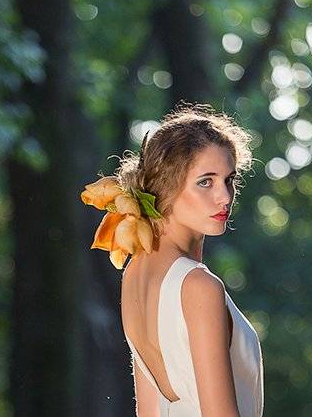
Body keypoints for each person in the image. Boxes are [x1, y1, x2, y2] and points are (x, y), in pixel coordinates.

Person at [80, 102, 264, 417]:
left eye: (229, 179)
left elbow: (149, 412)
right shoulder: (198, 286)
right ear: (167, 186)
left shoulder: (135, 272)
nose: (225, 196)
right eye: (205, 181)